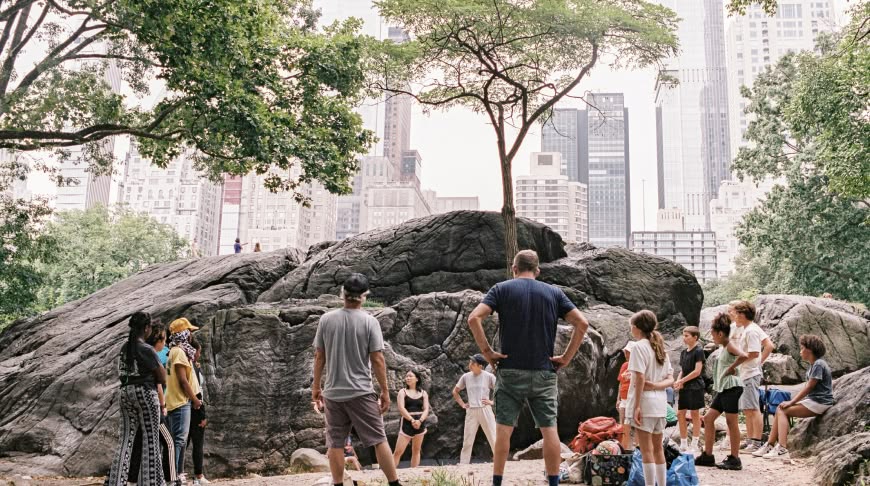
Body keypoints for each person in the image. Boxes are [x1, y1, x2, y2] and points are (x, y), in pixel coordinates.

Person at [467, 250, 590, 486]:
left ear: (514, 269)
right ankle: (553, 481)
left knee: (503, 429)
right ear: (538, 270)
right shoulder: (554, 292)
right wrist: (565, 357)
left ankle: (497, 481)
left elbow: (474, 318)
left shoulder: (502, 289)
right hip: (544, 371)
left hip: (510, 370)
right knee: (549, 429)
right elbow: (582, 323)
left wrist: (487, 353)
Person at [311, 273, 403, 486]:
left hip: (333, 393)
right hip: (361, 392)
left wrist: (316, 387)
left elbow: (319, 356)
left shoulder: (326, 320)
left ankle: (338, 484)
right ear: (364, 296)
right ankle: (394, 483)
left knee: (335, 443)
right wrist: (385, 391)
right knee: (378, 439)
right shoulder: (370, 322)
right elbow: (378, 359)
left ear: (342, 293)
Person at [104, 311, 166, 486]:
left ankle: (116, 482)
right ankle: (150, 483)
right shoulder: (146, 349)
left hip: (125, 393)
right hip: (145, 393)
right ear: (146, 328)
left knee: (125, 439)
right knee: (151, 441)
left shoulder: (125, 348)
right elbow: (162, 378)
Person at [752, 335, 834, 461]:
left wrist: (792, 402)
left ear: (810, 350)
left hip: (820, 402)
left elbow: (809, 387)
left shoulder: (818, 364)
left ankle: (782, 448)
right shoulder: (814, 365)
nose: (800, 351)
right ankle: (770, 445)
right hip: (815, 400)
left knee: (783, 410)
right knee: (781, 407)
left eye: (802, 348)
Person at [624, 310, 674, 486]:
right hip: (660, 404)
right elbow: (670, 378)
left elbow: (639, 379)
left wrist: (636, 406)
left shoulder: (638, 347)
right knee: (658, 448)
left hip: (645, 403)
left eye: (631, 326)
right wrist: (656, 386)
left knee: (646, 451)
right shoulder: (660, 348)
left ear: (636, 328)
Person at [696, 313, 749, 470]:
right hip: (724, 388)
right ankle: (708, 455)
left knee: (731, 422)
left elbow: (744, 355)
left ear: (720, 333)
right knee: (709, 418)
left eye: (713, 335)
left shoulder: (730, 345)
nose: (712, 338)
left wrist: (731, 369)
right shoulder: (724, 346)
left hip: (731, 387)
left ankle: (735, 458)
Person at [129, 325, 178, 484]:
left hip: (138, 401)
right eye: (164, 339)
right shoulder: (152, 354)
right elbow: (158, 383)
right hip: (152, 405)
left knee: (139, 442)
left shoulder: (140, 353)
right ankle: (172, 480)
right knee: (169, 442)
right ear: (158, 339)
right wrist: (162, 407)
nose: (165, 342)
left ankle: (131, 480)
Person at [728, 300, 774, 452]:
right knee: (747, 408)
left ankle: (756, 441)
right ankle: (749, 440)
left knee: (754, 408)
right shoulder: (747, 329)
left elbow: (754, 353)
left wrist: (738, 361)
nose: (735, 317)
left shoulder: (751, 331)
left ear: (742, 314)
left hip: (750, 373)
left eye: (736, 314)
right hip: (745, 373)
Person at [165, 318, 202, 484]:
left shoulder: (174, 350)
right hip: (180, 402)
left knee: (177, 440)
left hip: (176, 400)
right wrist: (194, 399)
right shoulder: (179, 352)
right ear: (184, 333)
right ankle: (177, 474)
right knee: (179, 440)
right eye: (189, 332)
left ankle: (175, 475)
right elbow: (182, 380)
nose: (191, 335)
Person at [453, 354, 497, 464]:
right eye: (470, 362)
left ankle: (499, 461)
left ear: (480, 366)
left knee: (493, 436)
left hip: (485, 409)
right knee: (467, 439)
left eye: (473, 363)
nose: (470, 365)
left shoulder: (489, 376)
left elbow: (500, 391)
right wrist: (463, 404)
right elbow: (455, 391)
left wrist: (492, 402)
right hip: (471, 410)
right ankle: (464, 463)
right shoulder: (466, 377)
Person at [674, 326, 705, 453]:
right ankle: (683, 442)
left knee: (694, 413)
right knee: (680, 413)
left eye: (687, 336)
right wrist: (678, 380)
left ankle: (695, 442)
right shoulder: (683, 352)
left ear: (695, 337)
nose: (684, 338)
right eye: (684, 335)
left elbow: (697, 371)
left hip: (695, 386)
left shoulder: (698, 351)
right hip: (685, 386)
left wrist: (682, 380)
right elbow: (683, 369)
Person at [392, 370, 430, 468]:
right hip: (407, 421)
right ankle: (391, 472)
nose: (407, 378)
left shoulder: (423, 393)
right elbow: (401, 408)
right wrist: (412, 420)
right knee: (398, 451)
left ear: (417, 379)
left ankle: (414, 472)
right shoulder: (402, 392)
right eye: (406, 376)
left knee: (416, 450)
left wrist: (420, 420)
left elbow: (426, 409)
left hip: (420, 421)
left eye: (410, 376)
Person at [188, 338, 209, 485]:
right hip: (195, 410)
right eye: (199, 352)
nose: (199, 355)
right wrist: (203, 415)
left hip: (187, 408)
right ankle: (198, 476)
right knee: (197, 444)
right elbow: (198, 393)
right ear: (194, 351)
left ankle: (179, 474)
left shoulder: (193, 365)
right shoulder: (192, 367)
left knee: (183, 443)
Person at [616, 342, 635, 451]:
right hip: (623, 397)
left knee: (632, 423)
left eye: (628, 353)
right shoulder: (624, 365)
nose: (626, 355)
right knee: (622, 422)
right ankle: (623, 445)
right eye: (625, 352)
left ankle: (633, 446)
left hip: (632, 397)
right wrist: (618, 399)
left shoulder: (638, 365)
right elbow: (620, 383)